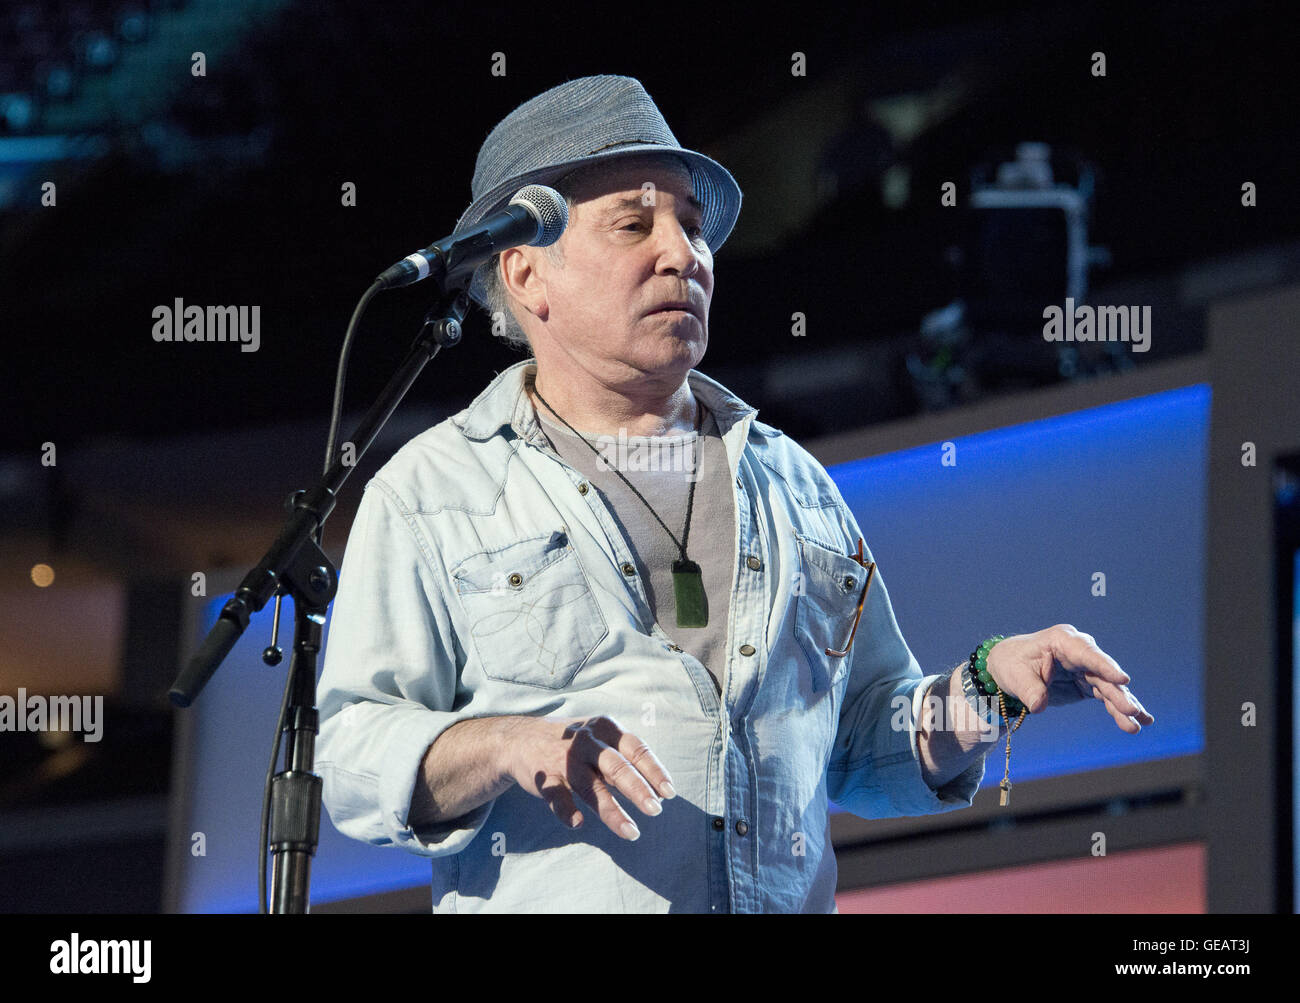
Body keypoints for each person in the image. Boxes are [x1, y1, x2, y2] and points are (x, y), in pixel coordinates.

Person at [315, 75, 1153, 913]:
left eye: (690, 223)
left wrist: (986, 687)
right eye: (635, 224)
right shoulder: (435, 490)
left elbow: (865, 741)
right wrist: (505, 744)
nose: (682, 252)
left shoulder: (794, 485)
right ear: (528, 273)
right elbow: (354, 757)